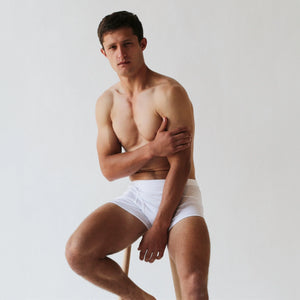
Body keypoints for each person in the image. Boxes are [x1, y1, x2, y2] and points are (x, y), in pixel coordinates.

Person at [65, 11, 210, 300]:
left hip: (179, 195)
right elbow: (108, 169)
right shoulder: (106, 103)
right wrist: (153, 149)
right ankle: (140, 298)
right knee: (78, 253)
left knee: (193, 286)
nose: (121, 53)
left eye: (127, 44)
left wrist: (159, 226)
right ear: (103, 53)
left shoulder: (169, 92)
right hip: (140, 196)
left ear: (142, 44)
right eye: (113, 47)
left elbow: (180, 166)